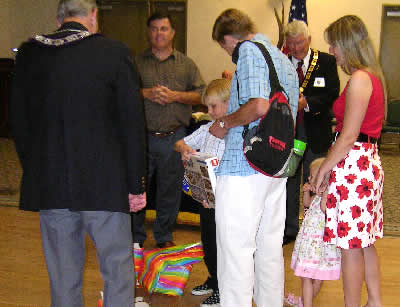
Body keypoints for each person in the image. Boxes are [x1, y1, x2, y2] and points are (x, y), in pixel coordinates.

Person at [8, 0, 147, 306]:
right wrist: (136, 184)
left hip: (52, 184)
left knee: (63, 277)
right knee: (118, 271)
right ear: (93, 16)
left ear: (59, 18)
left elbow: (18, 122)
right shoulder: (113, 52)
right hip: (106, 185)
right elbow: (132, 123)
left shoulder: (29, 53)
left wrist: (36, 170)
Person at [210, 9, 298, 307]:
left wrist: (224, 123)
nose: (228, 54)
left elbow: (259, 106)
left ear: (229, 39)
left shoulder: (248, 50)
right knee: (269, 249)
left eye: (224, 48)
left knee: (235, 251)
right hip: (275, 168)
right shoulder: (283, 59)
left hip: (243, 166)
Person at [312, 15, 386, 307]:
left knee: (350, 247)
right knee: (364, 243)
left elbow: (347, 138)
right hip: (365, 163)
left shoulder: (359, 78)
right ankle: (375, 302)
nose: (332, 51)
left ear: (347, 43)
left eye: (333, 44)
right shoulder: (372, 76)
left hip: (355, 167)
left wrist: (322, 172)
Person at [133, 11, 206, 248]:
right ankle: (136, 237)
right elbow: (121, 94)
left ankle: (163, 236)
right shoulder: (136, 63)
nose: (158, 33)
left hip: (174, 137)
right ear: (148, 32)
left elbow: (202, 95)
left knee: (169, 191)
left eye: (163, 29)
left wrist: (176, 96)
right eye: (154, 29)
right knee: (137, 189)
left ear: (173, 33)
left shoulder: (186, 65)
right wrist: (145, 93)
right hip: (142, 137)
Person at [283, 20, 340, 245]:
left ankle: (313, 229)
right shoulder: (281, 62)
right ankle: (289, 229)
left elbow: (332, 93)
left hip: (316, 130)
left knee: (315, 179)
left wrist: (306, 103)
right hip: (289, 132)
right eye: (291, 43)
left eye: (299, 42)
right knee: (290, 180)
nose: (295, 48)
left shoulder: (325, 61)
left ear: (308, 40)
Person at [174, 78, 230, 307]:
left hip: (226, 199)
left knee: (222, 244)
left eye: (213, 107)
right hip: (205, 196)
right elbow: (179, 143)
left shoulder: (236, 131)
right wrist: (186, 150)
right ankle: (213, 278)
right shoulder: (206, 128)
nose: (209, 112)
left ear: (229, 103)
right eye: (207, 107)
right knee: (208, 240)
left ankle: (223, 287)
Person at [285, 158, 341, 307]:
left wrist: (325, 192)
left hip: (316, 247)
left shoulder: (327, 197)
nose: (308, 178)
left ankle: (305, 303)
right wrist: (307, 193)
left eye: (311, 176)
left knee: (313, 278)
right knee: (308, 277)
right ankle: (304, 302)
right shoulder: (318, 196)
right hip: (309, 245)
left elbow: (324, 208)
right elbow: (307, 205)